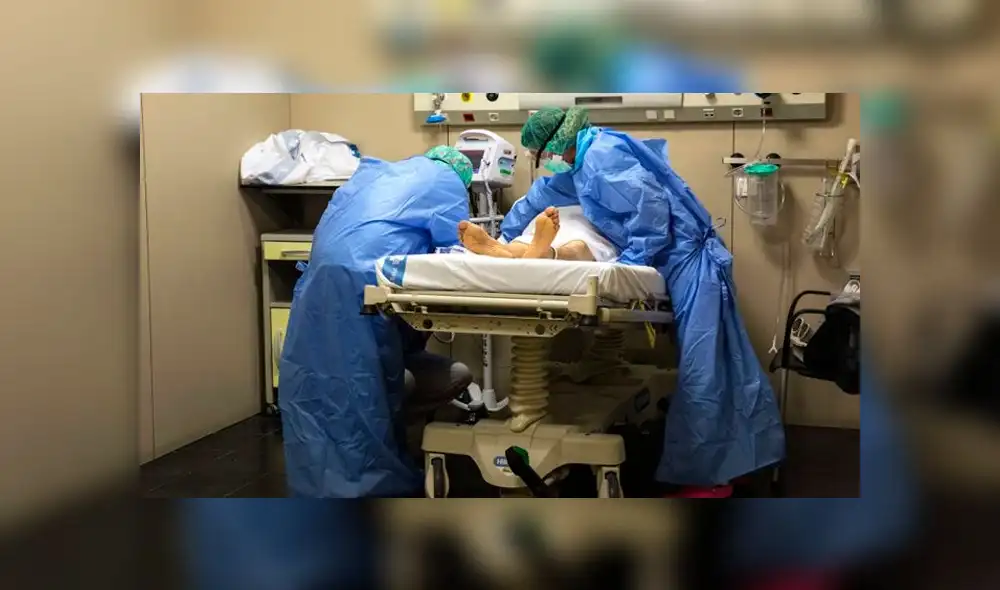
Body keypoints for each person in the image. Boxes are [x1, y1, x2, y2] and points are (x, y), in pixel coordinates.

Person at [508, 106, 786, 496]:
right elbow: (549, 191)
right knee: (716, 363)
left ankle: (707, 475)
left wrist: (632, 261)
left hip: (689, 260)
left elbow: (650, 211)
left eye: (543, 153)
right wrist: (509, 231)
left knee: (704, 369)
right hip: (676, 260)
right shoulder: (588, 158)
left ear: (556, 142)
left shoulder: (601, 155)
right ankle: (732, 459)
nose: (546, 161)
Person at [278, 145, 476, 498]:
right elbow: (458, 250)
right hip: (365, 286)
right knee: (363, 388)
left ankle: (317, 480)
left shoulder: (374, 173)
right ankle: (370, 482)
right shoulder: (448, 182)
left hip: (318, 286)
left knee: (319, 388)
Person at [458, 205, 618, 262]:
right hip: (586, 222)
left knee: (525, 241)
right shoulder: (612, 193)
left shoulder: (546, 191)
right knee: (582, 246)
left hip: (546, 221)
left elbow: (520, 215)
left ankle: (504, 251)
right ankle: (546, 253)